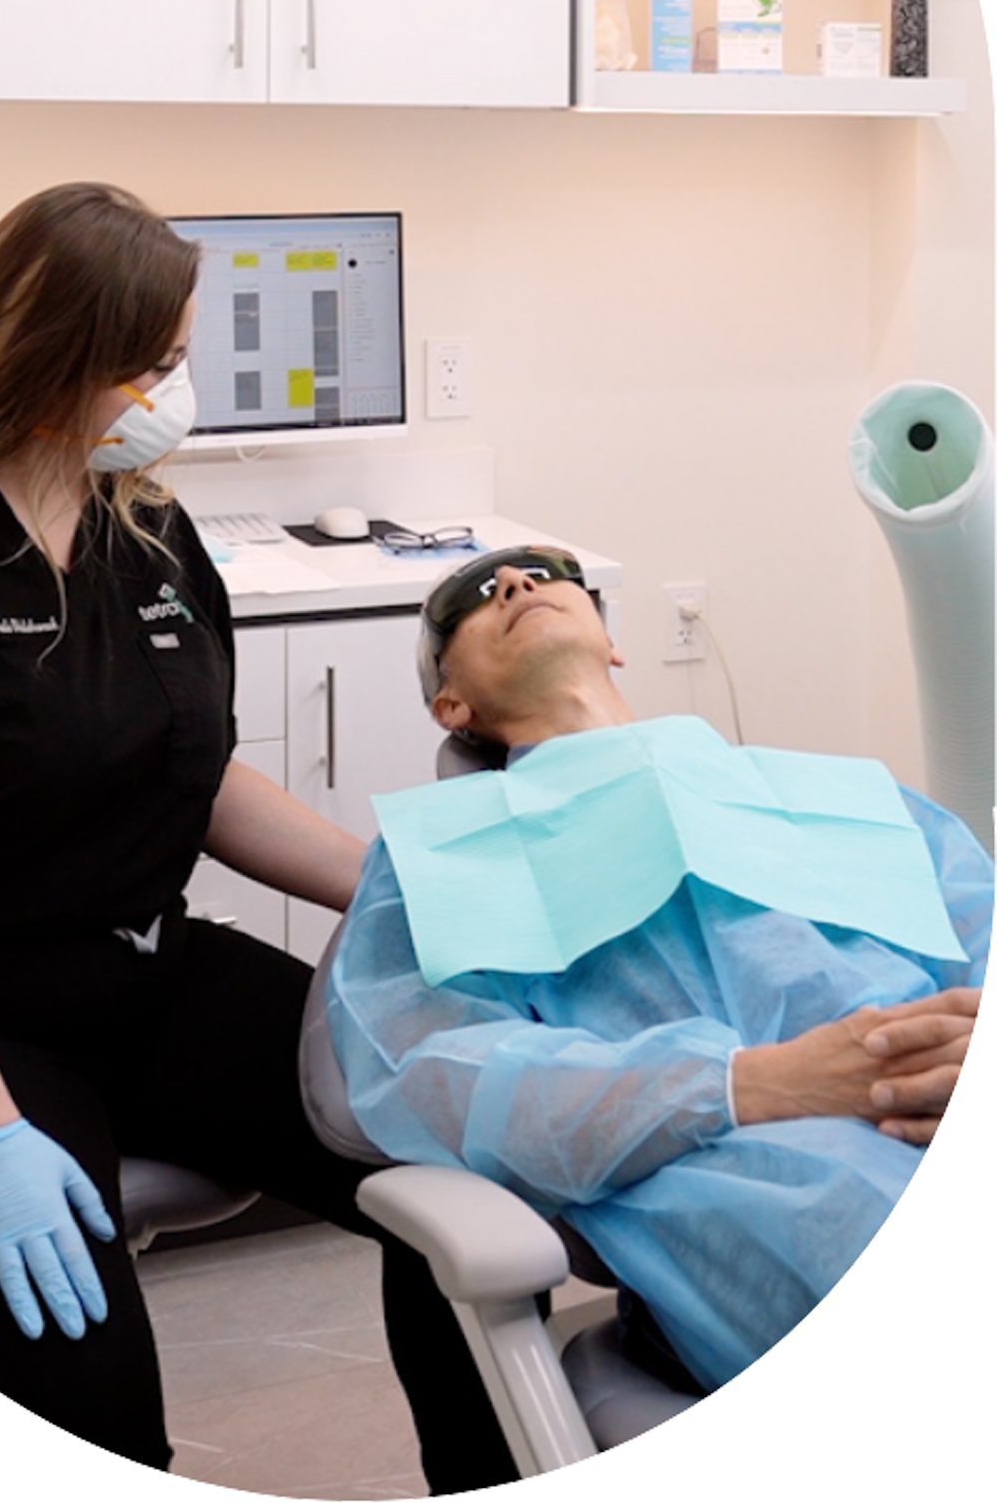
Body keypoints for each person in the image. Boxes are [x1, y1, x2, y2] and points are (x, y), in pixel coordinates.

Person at [0, 182, 516, 1485]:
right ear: (48, 360)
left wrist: (405, 893)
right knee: (79, 1377)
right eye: (151, 364)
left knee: (464, 1186)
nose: (174, 389)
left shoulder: (145, 534)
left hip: (144, 973)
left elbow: (202, 783)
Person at [327, 546, 993, 1393]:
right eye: (472, 599)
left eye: (544, 571)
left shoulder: (831, 793)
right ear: (451, 704)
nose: (517, 586)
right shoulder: (449, 853)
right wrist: (753, 1083)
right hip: (757, 1175)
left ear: (612, 642)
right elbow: (431, 1076)